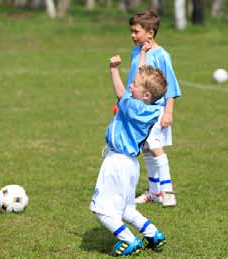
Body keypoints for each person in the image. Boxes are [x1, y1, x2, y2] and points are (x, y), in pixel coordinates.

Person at [89, 54, 167, 256]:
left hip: (117, 162)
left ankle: (129, 240)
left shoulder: (134, 105)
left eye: (134, 84)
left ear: (147, 95)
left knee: (101, 210)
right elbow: (135, 90)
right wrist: (142, 58)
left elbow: (120, 92)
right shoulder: (151, 108)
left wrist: (114, 70)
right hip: (130, 164)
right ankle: (153, 234)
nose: (130, 86)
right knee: (126, 210)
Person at [127, 10, 182, 207]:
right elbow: (134, 80)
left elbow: (171, 86)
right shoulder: (137, 52)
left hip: (156, 111)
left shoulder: (161, 55)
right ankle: (153, 192)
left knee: (156, 147)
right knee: (147, 149)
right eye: (131, 31)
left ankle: (167, 191)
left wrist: (168, 112)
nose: (132, 35)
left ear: (150, 33)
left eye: (136, 31)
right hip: (139, 111)